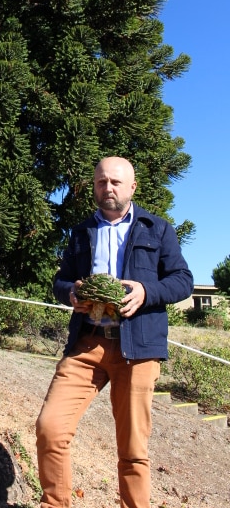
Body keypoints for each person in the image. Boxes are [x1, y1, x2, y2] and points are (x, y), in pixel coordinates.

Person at [36, 156, 193, 508]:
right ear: (94, 186)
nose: (108, 188)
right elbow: (60, 280)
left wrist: (146, 291)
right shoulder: (80, 232)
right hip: (87, 344)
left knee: (133, 450)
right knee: (50, 428)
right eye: (101, 182)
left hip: (137, 349)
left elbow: (183, 280)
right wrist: (70, 292)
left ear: (132, 187)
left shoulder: (158, 229)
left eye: (116, 182)